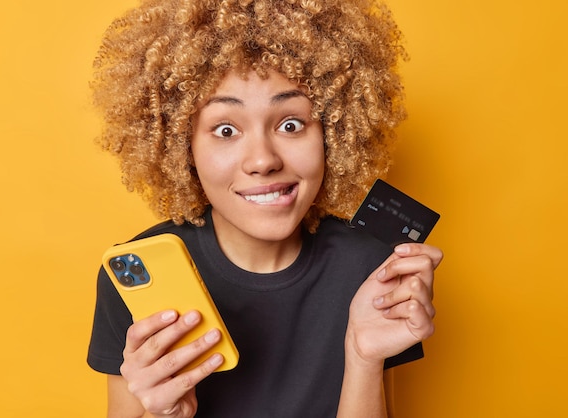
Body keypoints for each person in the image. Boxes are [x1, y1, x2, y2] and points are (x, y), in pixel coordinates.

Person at [87, 0, 443, 417]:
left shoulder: (369, 268)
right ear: (183, 148)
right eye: (225, 130)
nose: (262, 160)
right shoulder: (135, 274)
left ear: (332, 131)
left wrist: (364, 359)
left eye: (290, 124)